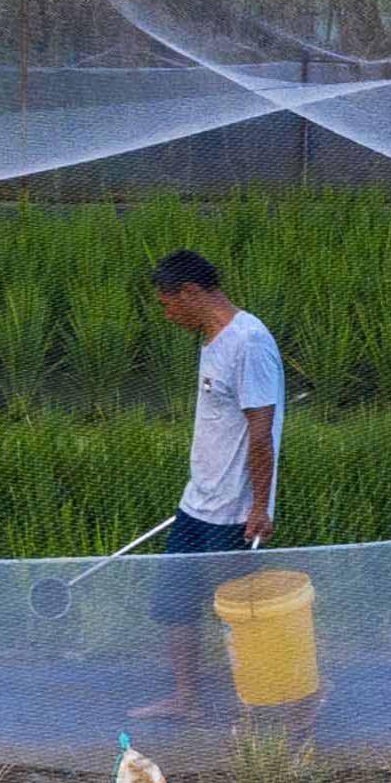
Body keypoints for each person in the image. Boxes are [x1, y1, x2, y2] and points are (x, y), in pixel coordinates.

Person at [132, 246, 283, 720]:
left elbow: (260, 430)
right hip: (197, 502)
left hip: (236, 512)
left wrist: (260, 507)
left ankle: (275, 704)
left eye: (167, 303)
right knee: (173, 602)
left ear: (191, 292)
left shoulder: (249, 341)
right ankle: (185, 700)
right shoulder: (212, 339)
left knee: (240, 616)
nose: (167, 313)